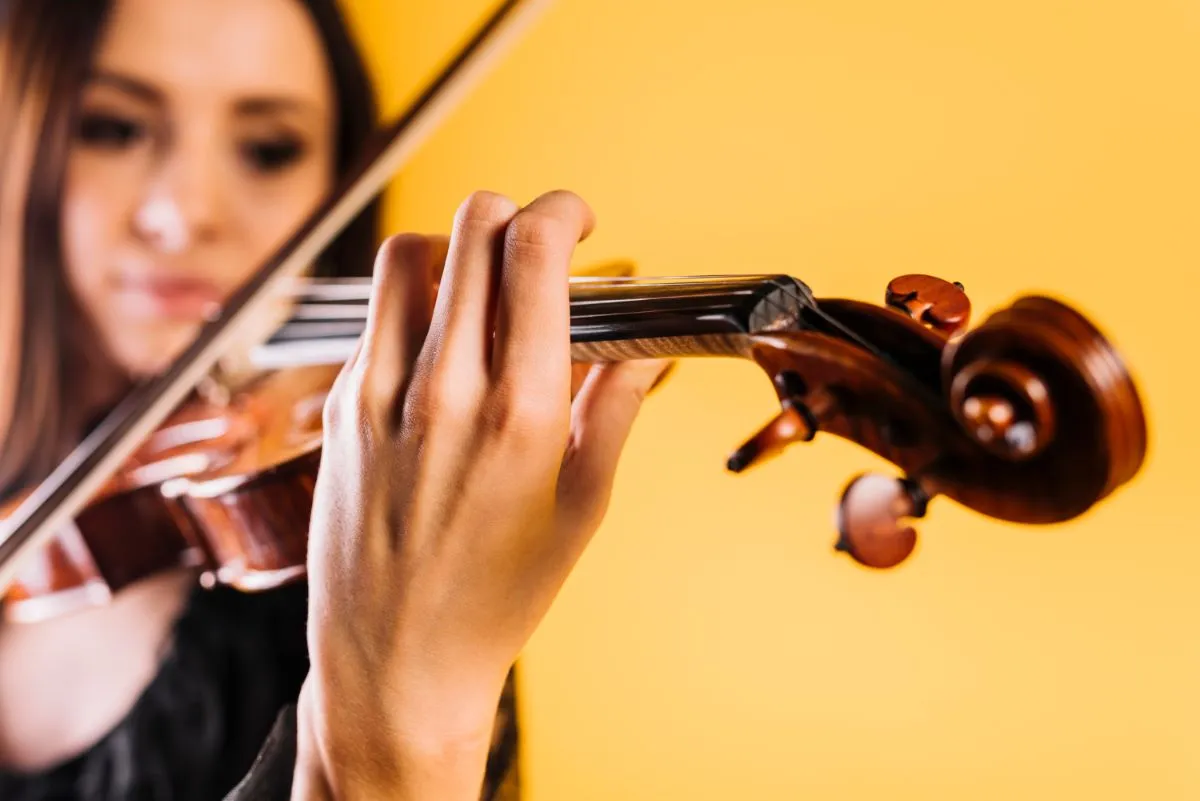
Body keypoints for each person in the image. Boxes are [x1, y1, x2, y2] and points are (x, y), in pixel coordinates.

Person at [0, 0, 667, 798]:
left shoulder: (371, 572)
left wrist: (401, 716)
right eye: (113, 128)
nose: (187, 213)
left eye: (269, 148)